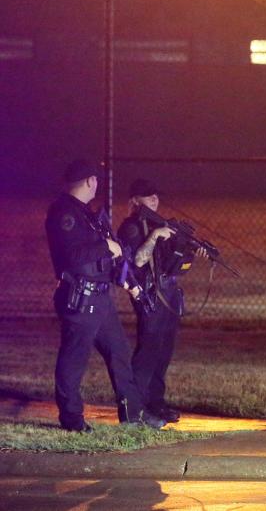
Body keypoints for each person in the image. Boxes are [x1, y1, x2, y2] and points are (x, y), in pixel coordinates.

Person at [44, 159, 165, 432]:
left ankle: (134, 415)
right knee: (74, 360)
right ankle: (72, 419)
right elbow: (73, 257)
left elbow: (106, 260)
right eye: (96, 179)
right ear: (89, 181)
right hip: (80, 298)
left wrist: (128, 282)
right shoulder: (64, 213)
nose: (97, 184)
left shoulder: (86, 213)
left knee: (119, 353)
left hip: (100, 299)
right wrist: (105, 245)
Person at [118, 178, 204, 424]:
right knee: (148, 351)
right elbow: (137, 261)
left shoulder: (160, 223)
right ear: (135, 200)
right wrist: (155, 236)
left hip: (168, 294)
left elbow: (172, 263)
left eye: (156, 194)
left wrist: (189, 251)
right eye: (148, 195)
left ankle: (156, 402)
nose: (154, 198)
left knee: (164, 352)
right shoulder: (132, 227)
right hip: (148, 295)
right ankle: (135, 406)